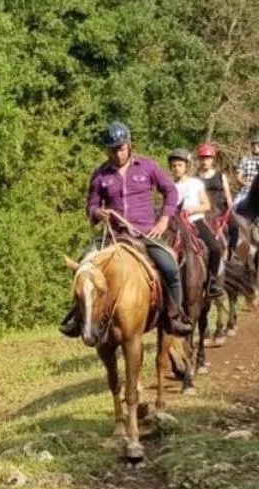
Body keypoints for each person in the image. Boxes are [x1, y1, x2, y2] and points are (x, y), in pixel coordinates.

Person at [60, 121, 193, 337]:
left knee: (170, 267)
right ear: (107, 150)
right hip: (112, 236)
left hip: (144, 233)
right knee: (83, 266)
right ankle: (77, 317)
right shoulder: (100, 175)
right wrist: (97, 213)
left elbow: (170, 191)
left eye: (121, 148)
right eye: (113, 150)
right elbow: (91, 205)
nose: (118, 154)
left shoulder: (147, 166)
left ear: (129, 144)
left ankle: (174, 316)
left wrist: (163, 221)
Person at [169, 149, 224, 295]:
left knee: (215, 247)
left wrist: (192, 210)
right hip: (175, 224)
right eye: (173, 166)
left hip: (195, 221)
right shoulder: (170, 187)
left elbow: (207, 205)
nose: (176, 168)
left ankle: (212, 281)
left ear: (186, 166)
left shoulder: (196, 183)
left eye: (179, 165)